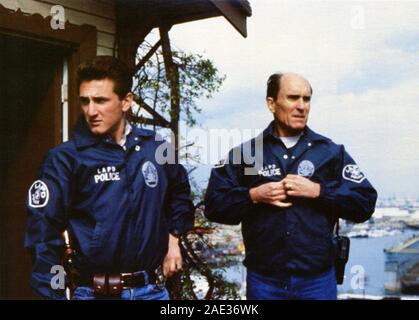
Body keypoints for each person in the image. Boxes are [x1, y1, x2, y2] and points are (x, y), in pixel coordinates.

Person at [24, 56, 194, 300]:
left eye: (101, 101)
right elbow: (43, 238)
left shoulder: (156, 147)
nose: (91, 111)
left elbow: (179, 193)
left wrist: (173, 237)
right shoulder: (64, 160)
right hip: (96, 293)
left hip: (153, 292)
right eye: (85, 101)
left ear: (126, 101)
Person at [204, 73, 377, 300]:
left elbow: (365, 202)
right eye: (293, 98)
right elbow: (214, 205)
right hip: (264, 281)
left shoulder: (330, 153)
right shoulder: (247, 154)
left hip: (317, 281)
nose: (301, 106)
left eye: (306, 99)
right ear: (271, 104)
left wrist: (319, 192)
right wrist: (253, 196)